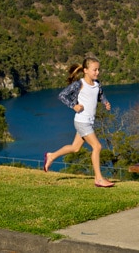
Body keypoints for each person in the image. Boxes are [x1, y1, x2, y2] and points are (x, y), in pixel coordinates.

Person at [44, 54, 115, 188]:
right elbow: (62, 95)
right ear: (85, 70)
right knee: (97, 146)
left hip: (89, 121)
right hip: (82, 121)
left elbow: (100, 95)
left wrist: (105, 102)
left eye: (98, 69)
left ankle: (51, 156)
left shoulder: (97, 84)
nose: (97, 72)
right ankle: (99, 179)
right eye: (95, 70)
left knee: (75, 148)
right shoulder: (79, 84)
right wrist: (73, 105)